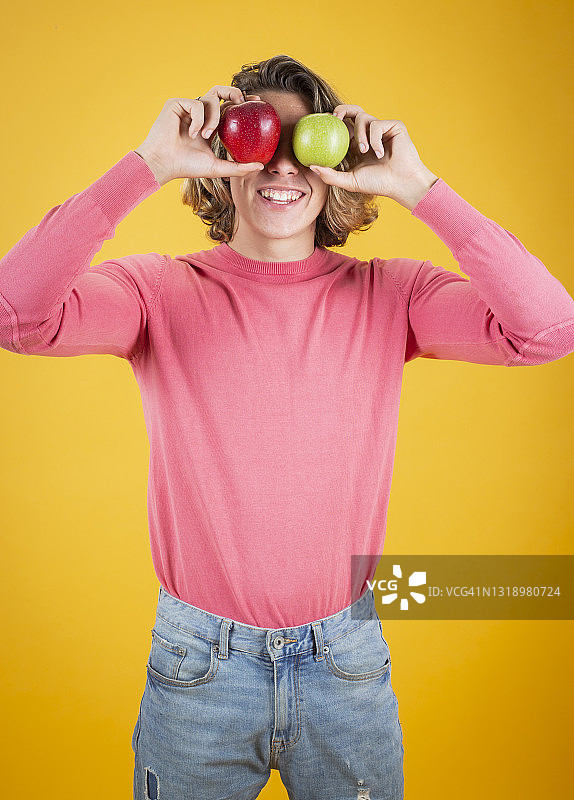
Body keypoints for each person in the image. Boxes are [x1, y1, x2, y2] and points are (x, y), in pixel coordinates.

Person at [1, 53, 573, 800]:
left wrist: (417, 187)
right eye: (256, 140)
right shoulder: (157, 291)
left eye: (305, 142)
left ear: (335, 161)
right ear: (221, 160)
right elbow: (16, 313)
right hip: (199, 667)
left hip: (346, 662)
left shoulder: (390, 294)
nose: (280, 165)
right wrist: (145, 165)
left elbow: (549, 330)